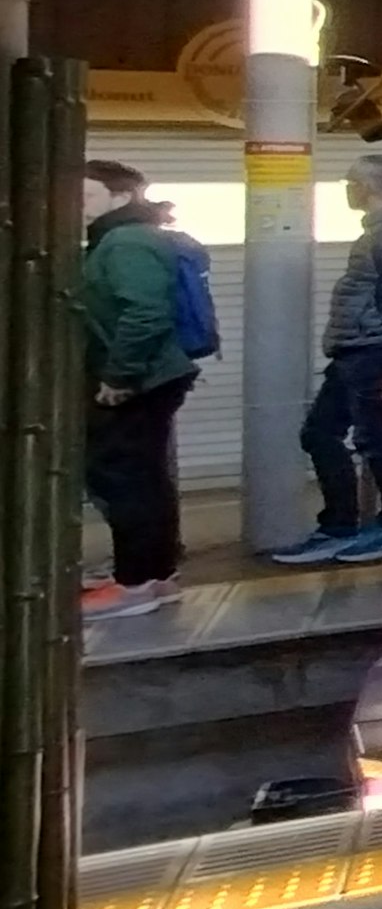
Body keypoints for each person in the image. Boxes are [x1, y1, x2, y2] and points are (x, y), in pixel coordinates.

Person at [264, 151, 382, 567]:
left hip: (374, 352)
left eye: (351, 182)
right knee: (320, 433)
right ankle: (340, 525)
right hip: (355, 351)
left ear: (372, 186)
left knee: (374, 439)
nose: (347, 189)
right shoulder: (378, 234)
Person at [80, 162, 198, 618]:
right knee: (144, 476)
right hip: (151, 375)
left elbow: (146, 313)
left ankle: (136, 583)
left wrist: (119, 376)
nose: (77, 205)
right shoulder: (122, 238)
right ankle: (155, 578)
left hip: (143, 377)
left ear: (121, 196)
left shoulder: (127, 241)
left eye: (86, 195)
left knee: (122, 476)